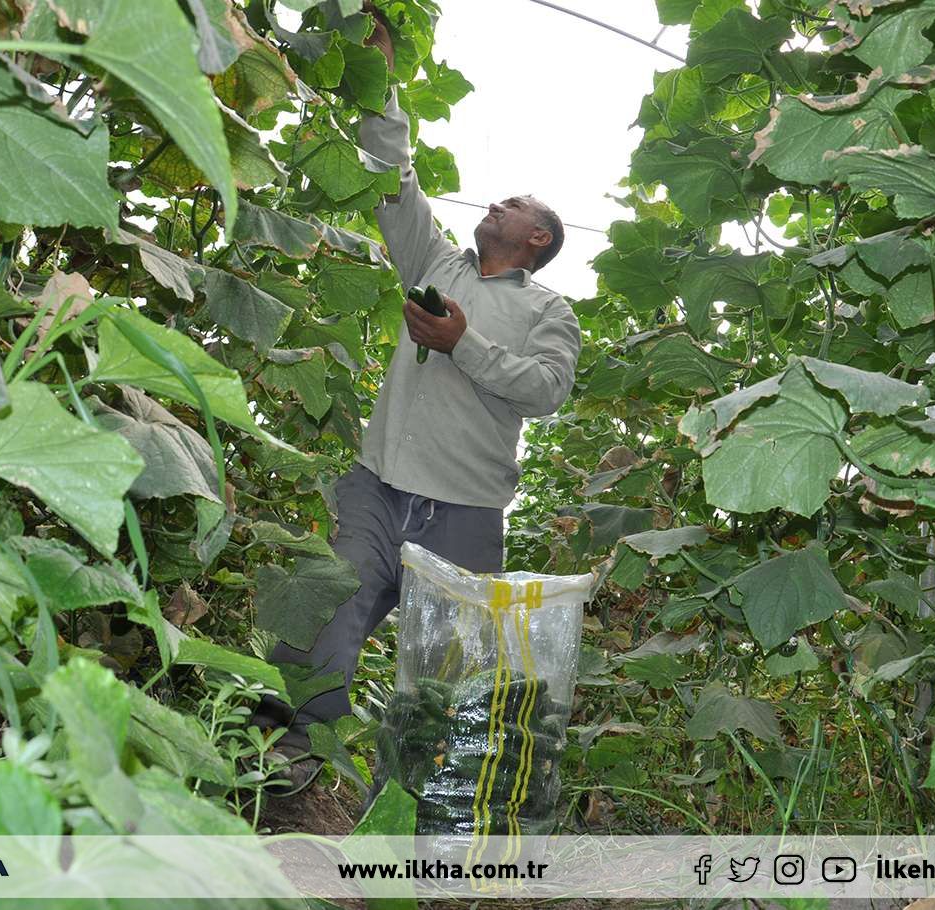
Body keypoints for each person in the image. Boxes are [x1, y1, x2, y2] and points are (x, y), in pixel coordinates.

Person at [253, 4, 582, 783]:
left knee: (444, 676)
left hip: (465, 513)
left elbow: (547, 389)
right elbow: (394, 177)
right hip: (378, 487)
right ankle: (282, 761)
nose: (495, 204)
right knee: (327, 610)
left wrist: (461, 342)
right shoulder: (435, 263)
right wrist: (381, 81)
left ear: (537, 237)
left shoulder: (550, 311)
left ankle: (409, 808)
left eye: (513, 205)